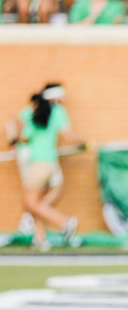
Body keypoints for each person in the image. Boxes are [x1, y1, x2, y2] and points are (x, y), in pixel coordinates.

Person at [12, 84, 85, 250]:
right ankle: (40, 239)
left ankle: (64, 222)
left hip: (38, 164)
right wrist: (84, 142)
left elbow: (23, 138)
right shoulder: (56, 111)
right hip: (51, 163)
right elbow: (68, 133)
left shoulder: (32, 115)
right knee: (37, 203)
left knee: (31, 203)